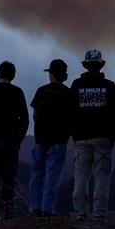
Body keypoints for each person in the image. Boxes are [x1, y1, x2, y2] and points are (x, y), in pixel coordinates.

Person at [69, 49, 115, 220]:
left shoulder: (76, 85)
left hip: (82, 138)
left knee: (81, 176)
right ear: (100, 66)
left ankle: (81, 212)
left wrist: (74, 135)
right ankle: (99, 213)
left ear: (86, 66)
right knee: (102, 177)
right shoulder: (110, 86)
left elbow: (71, 111)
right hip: (103, 138)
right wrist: (112, 137)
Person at [0, 60, 29, 219]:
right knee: (9, 178)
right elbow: (25, 119)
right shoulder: (17, 92)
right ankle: (8, 212)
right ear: (13, 75)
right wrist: (19, 139)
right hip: (11, 142)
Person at [28, 58, 75, 217]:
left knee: (36, 174)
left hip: (41, 138)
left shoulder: (42, 91)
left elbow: (35, 115)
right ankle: (47, 209)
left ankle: (35, 207)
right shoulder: (69, 93)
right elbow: (71, 118)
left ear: (51, 74)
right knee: (52, 175)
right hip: (59, 140)